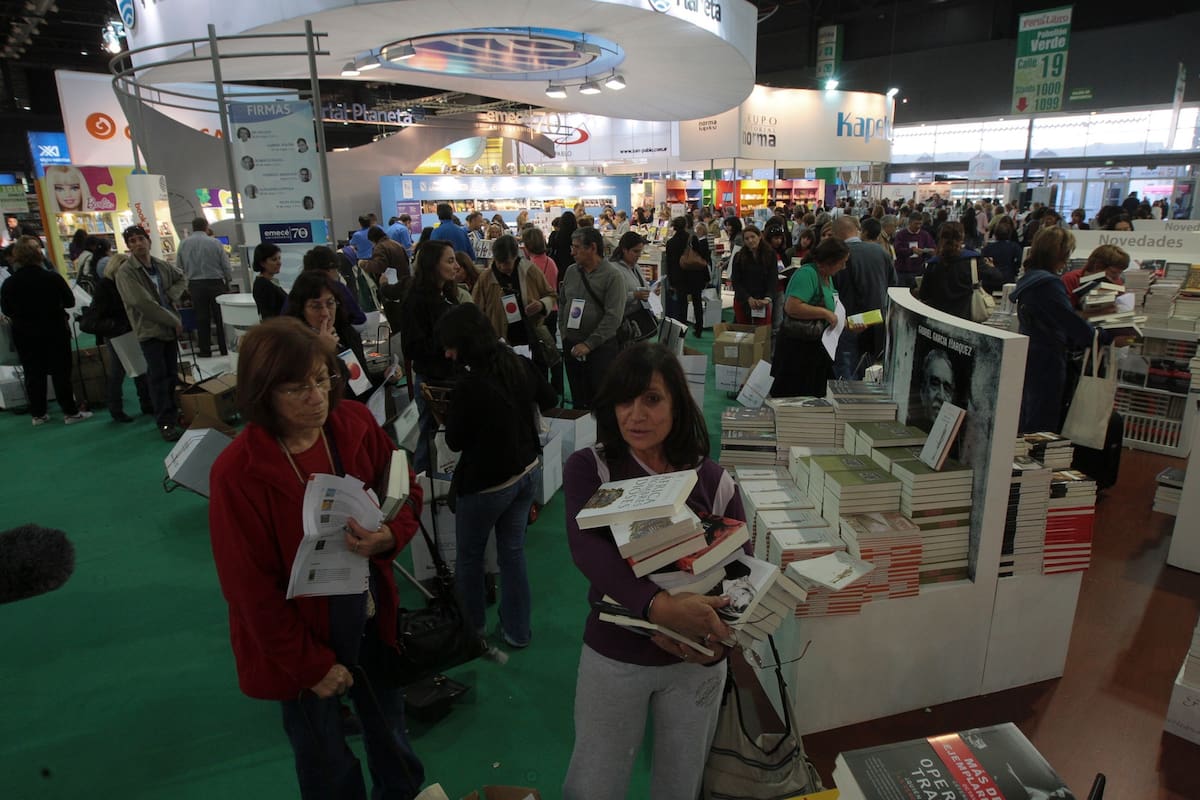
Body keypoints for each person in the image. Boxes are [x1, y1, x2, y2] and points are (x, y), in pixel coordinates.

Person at [208, 317, 425, 800]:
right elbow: (248, 590)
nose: (316, 397)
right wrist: (309, 665)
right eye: (296, 388)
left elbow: (404, 489)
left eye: (322, 380)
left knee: (391, 736)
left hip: (369, 618)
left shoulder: (353, 424)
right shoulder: (238, 472)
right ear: (262, 393)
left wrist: (389, 536)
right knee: (323, 757)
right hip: (298, 640)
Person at [561, 342, 745, 800]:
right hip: (616, 656)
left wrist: (721, 645)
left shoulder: (714, 480)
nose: (636, 415)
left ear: (677, 404)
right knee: (595, 781)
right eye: (625, 400)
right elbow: (587, 550)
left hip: (697, 663)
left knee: (681, 784)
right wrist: (657, 606)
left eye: (652, 399)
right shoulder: (594, 468)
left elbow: (741, 571)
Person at [435, 304, 556, 648]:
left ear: (465, 343)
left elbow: (455, 440)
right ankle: (517, 631)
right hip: (527, 473)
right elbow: (548, 398)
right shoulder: (517, 362)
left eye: (450, 345)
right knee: (512, 552)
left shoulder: (469, 386)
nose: (447, 352)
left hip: (487, 484)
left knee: (470, 558)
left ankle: (473, 632)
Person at [1009, 227, 1129, 434]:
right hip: (1048, 359)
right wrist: (1106, 335)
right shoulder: (1049, 284)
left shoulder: (1031, 279)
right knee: (1042, 423)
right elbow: (1073, 324)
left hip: (1033, 354)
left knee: (1029, 416)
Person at [0, 237, 91, 425]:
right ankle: (70, 412)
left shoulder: (9, 283)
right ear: (39, 256)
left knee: (33, 373)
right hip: (54, 329)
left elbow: (7, 310)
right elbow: (70, 302)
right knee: (61, 372)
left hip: (24, 333)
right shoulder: (52, 277)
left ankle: (38, 414)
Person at [110, 225, 187, 442]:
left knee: (172, 374)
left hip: (169, 329)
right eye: (132, 241)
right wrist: (173, 320)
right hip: (149, 330)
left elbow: (182, 278)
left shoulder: (161, 266)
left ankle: (173, 413)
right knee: (158, 377)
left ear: (148, 240)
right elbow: (143, 303)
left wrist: (171, 294)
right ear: (128, 246)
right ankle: (164, 421)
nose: (137, 244)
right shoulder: (126, 273)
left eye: (140, 239)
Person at [400, 240, 471, 473]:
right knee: (429, 437)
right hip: (432, 380)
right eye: (449, 261)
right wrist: (448, 345)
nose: (456, 266)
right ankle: (423, 489)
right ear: (433, 264)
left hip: (453, 376)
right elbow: (412, 348)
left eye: (455, 261)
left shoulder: (448, 295)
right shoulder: (416, 300)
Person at [771, 238, 855, 398]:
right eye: (842, 262)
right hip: (798, 348)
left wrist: (846, 323)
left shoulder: (827, 276)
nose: (844, 267)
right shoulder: (807, 274)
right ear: (830, 261)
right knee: (794, 395)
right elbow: (792, 307)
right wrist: (825, 313)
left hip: (816, 347)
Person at [557, 226, 625, 410]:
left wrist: (589, 344)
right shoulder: (571, 271)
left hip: (601, 350)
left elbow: (613, 317)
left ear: (592, 248)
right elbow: (562, 301)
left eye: (577, 247)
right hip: (572, 346)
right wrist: (564, 332)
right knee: (579, 400)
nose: (572, 252)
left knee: (601, 401)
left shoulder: (612, 276)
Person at [86, 254, 154, 422]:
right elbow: (97, 316)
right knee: (119, 371)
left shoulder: (122, 283)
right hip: (117, 333)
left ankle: (146, 403)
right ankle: (116, 409)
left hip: (130, 330)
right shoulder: (107, 286)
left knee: (140, 368)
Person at [285, 271, 373, 401]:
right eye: (316, 306)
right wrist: (324, 353)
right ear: (301, 309)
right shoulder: (293, 346)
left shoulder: (346, 331)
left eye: (330, 303)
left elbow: (358, 382)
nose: (326, 313)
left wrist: (386, 377)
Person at [472, 233, 556, 364]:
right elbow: (476, 310)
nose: (501, 267)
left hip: (529, 337)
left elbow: (551, 295)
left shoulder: (530, 271)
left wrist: (541, 304)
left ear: (516, 256)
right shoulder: (486, 278)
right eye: (498, 262)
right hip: (500, 342)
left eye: (506, 263)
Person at [831, 215, 897, 378]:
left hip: (850, 323)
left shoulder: (839, 256)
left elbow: (832, 292)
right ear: (857, 230)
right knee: (872, 375)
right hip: (878, 322)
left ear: (836, 234)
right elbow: (893, 286)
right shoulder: (880, 251)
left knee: (846, 377)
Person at [919, 221, 1003, 320]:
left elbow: (924, 294)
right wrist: (991, 266)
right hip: (966, 316)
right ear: (962, 237)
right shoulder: (972, 260)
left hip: (939, 317)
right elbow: (997, 278)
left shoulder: (933, 264)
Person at [176, 216, 232, 357]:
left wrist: (186, 283)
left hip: (196, 285)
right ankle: (224, 348)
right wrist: (228, 281)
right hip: (216, 283)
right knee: (220, 317)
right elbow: (225, 265)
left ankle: (205, 350)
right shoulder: (215, 243)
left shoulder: (183, 244)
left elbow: (178, 267)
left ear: (192, 228)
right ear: (206, 227)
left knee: (201, 317)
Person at [663, 217, 707, 336]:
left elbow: (669, 263)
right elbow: (700, 255)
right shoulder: (692, 238)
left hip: (679, 277)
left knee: (682, 304)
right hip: (694, 275)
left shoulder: (670, 243)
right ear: (686, 225)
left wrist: (671, 280)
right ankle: (699, 328)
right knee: (697, 302)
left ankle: (682, 331)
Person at [730, 224, 775, 325]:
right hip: (743, 301)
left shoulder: (770, 255)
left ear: (759, 236)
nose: (750, 240)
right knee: (744, 334)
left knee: (761, 334)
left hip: (762, 302)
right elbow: (736, 281)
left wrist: (767, 298)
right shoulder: (738, 257)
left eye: (752, 237)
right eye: (746, 238)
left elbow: (773, 278)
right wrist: (748, 298)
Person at [892, 212, 935, 288]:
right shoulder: (901, 235)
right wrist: (911, 251)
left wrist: (928, 252)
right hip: (903, 271)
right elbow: (897, 250)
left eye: (920, 224)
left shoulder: (925, 235)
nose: (918, 226)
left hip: (918, 271)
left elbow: (932, 247)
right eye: (916, 224)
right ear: (910, 222)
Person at [982, 217, 1023, 286]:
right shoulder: (1015, 247)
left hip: (990, 281)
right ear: (1009, 234)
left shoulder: (987, 248)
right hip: (1008, 280)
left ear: (995, 234)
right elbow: (1020, 262)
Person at [251, 242, 287, 320]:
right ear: (262, 263)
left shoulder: (270, 282)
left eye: (279, 258)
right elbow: (269, 316)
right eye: (274, 259)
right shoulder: (263, 285)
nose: (279, 263)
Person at [548, 210, 578, 279]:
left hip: (559, 263)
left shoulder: (555, 235)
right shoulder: (577, 235)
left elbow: (550, 247)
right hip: (574, 261)